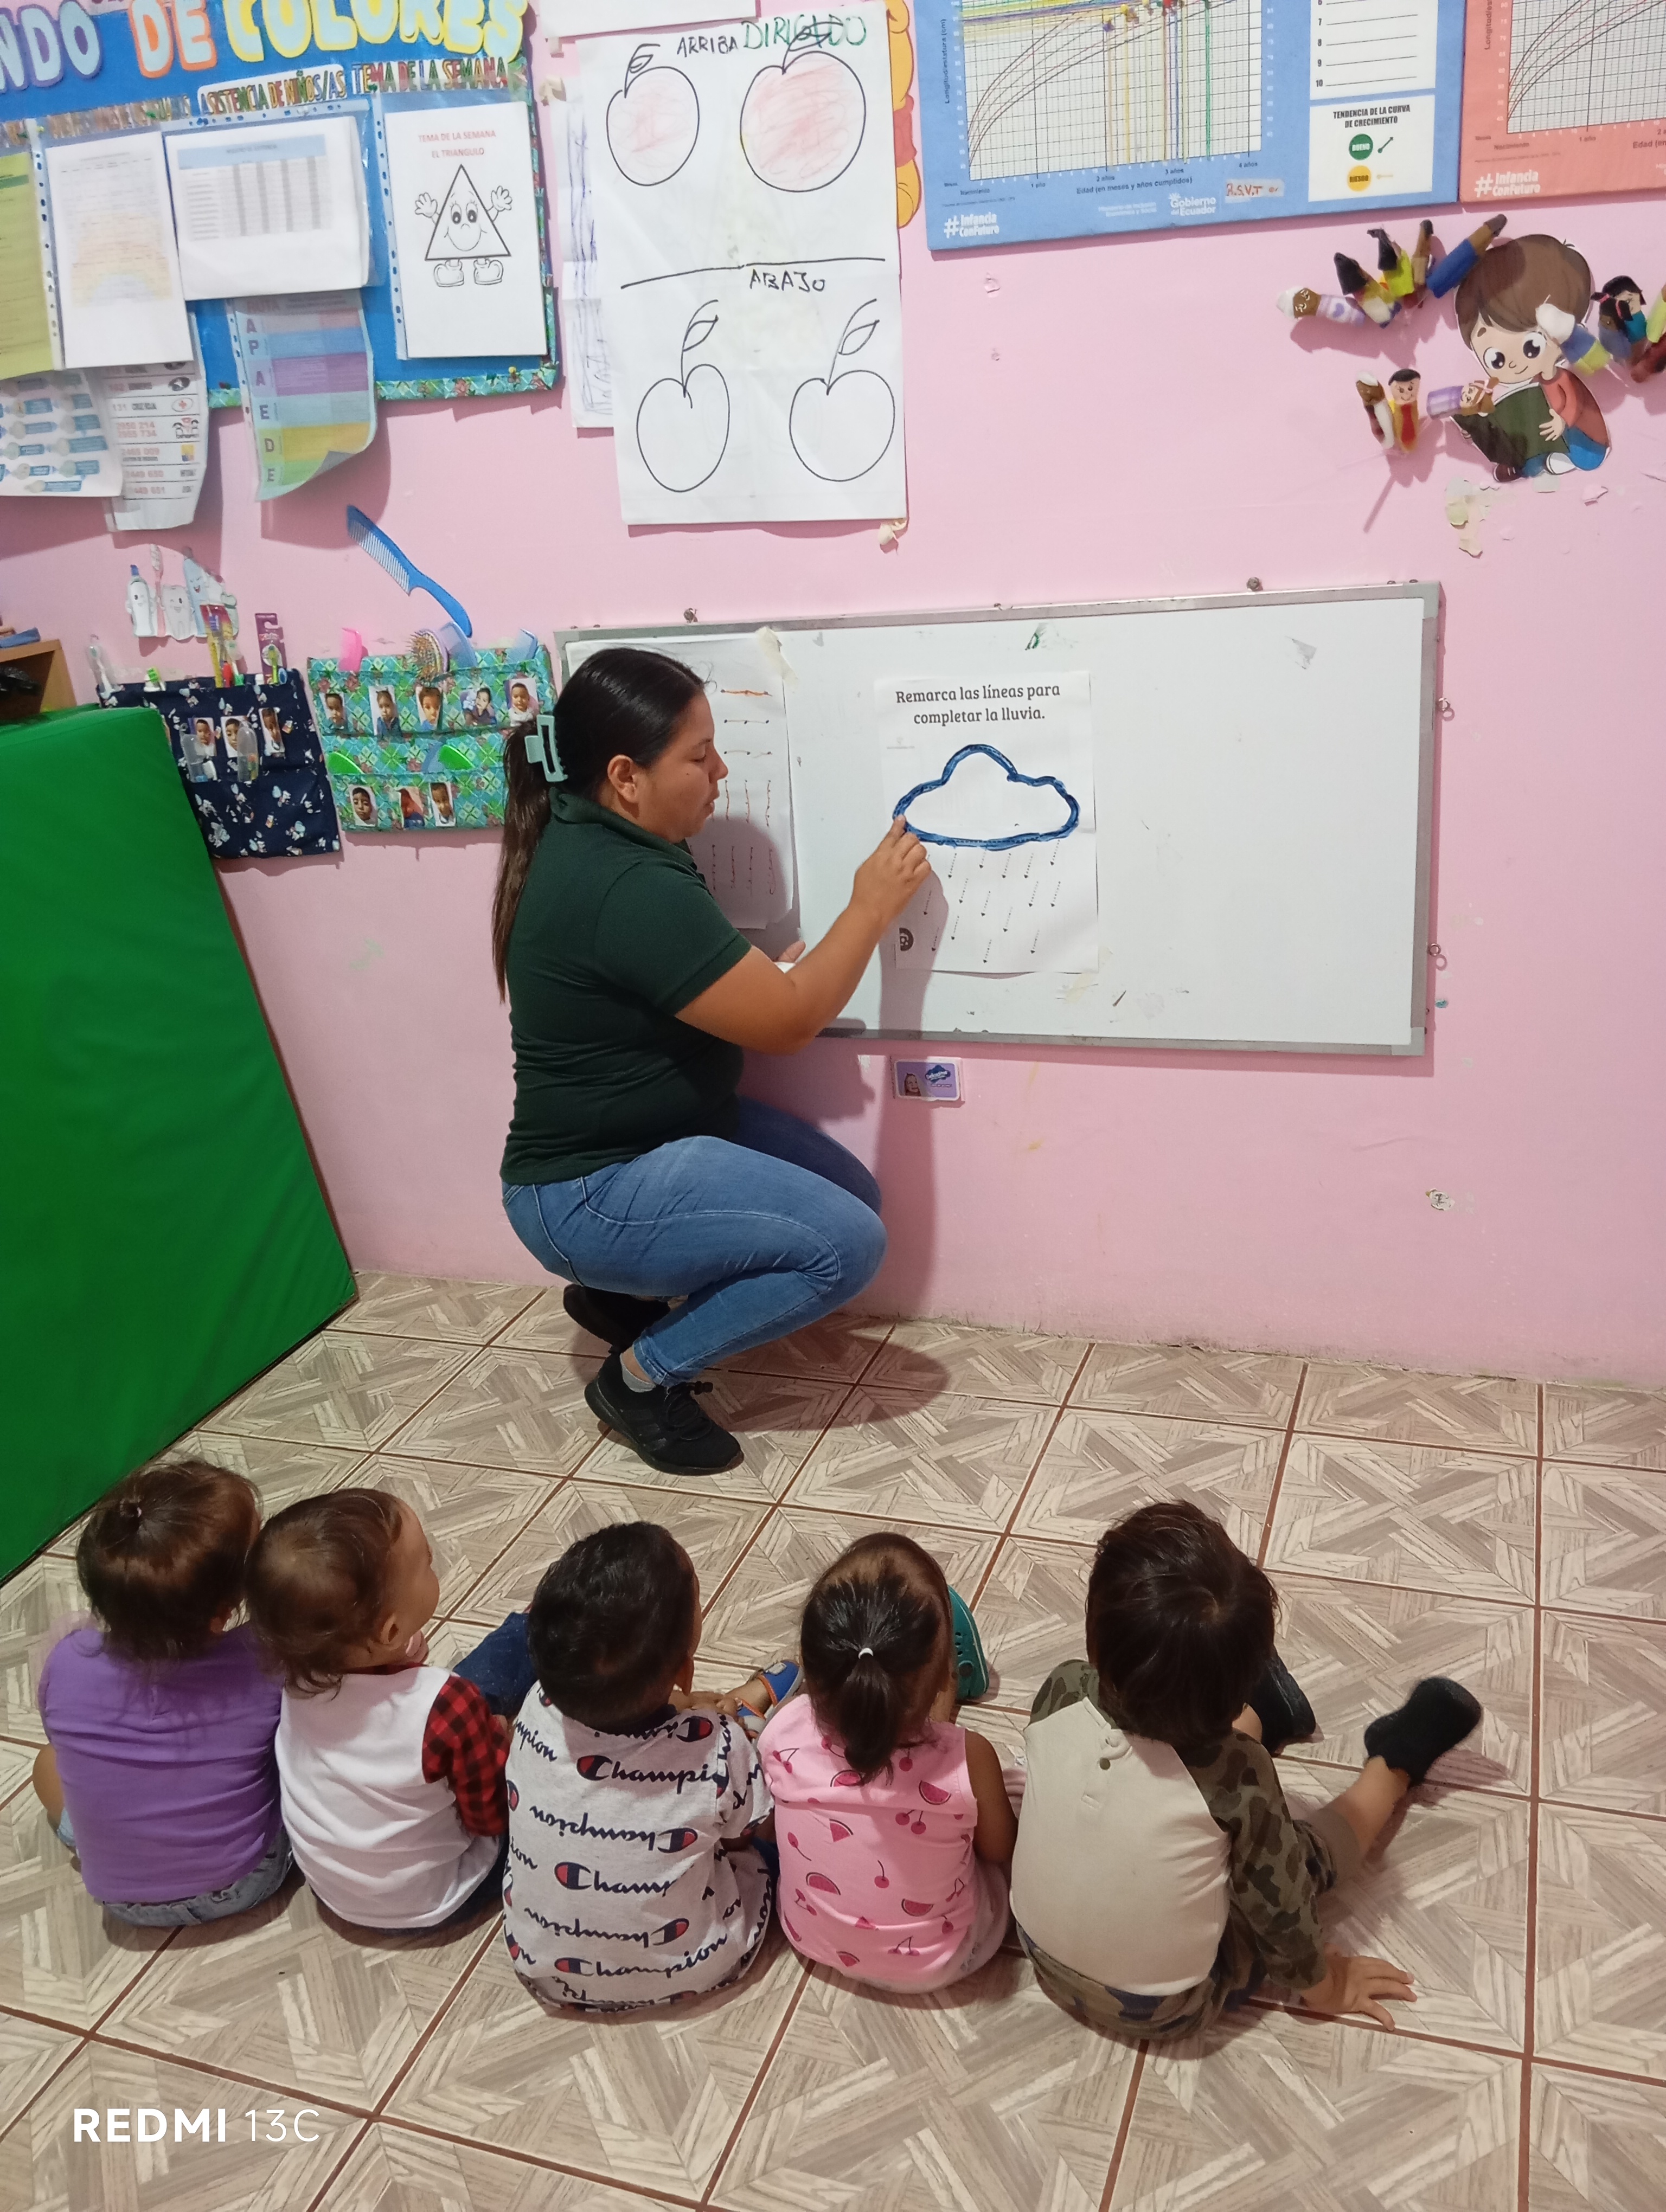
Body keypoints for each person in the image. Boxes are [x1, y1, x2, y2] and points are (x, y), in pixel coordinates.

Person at [494, 648, 930, 1477]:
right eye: (700, 756)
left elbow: (691, 980)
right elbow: (790, 1023)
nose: (721, 771)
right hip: (587, 1186)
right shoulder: (623, 881)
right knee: (847, 1247)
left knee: (853, 1198)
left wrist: (762, 977)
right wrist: (870, 907)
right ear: (626, 777)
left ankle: (624, 1299)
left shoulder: (613, 836)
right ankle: (639, 1379)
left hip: (662, 1132)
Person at [1010, 1500, 1483, 2042]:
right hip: (1167, 2007)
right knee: (1300, 1857)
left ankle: (1268, 1713)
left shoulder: (1062, 1688)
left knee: (1205, 1752)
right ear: (1244, 1681)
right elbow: (1280, 1908)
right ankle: (1395, 1763)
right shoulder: (1240, 1777)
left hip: (1039, 1952)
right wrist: (1329, 1987)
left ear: (1093, 1640)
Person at [503, 1523, 774, 2010]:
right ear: (684, 1672)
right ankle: (755, 1704)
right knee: (771, 1847)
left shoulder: (534, 1710)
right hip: (697, 1967)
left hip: (544, 1968)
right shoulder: (716, 1746)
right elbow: (740, 1837)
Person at [245, 1490, 537, 1934]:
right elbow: (491, 1817)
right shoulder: (446, 1703)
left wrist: (396, 1662)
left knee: (466, 1708)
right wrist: (498, 1740)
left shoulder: (297, 1677)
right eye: (426, 1563)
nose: (433, 1561)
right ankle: (538, 1626)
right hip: (446, 1895)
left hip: (338, 1895)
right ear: (391, 1631)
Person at [32, 1459, 292, 1927]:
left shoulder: (67, 1660)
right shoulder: (266, 1657)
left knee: (47, 1761)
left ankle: (111, 1849)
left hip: (121, 1900)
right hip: (244, 1881)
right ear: (222, 1613)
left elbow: (68, 1741)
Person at [762, 1533, 1016, 1991]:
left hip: (812, 1941)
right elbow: (999, 1851)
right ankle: (934, 1713)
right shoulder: (971, 1756)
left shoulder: (782, 1731)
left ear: (809, 1667)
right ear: (944, 1677)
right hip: (943, 1960)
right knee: (1012, 1790)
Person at [1452, 234, 1609, 481]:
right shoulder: (1528, 386)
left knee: (1575, 448)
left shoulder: (1559, 377)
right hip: (1546, 442)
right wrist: (1478, 430)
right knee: (1527, 448)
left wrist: (1563, 421)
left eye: (1532, 348)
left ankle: (1567, 458)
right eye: (1496, 360)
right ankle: (1523, 465)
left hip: (1583, 439)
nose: (1514, 364)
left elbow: (1575, 403)